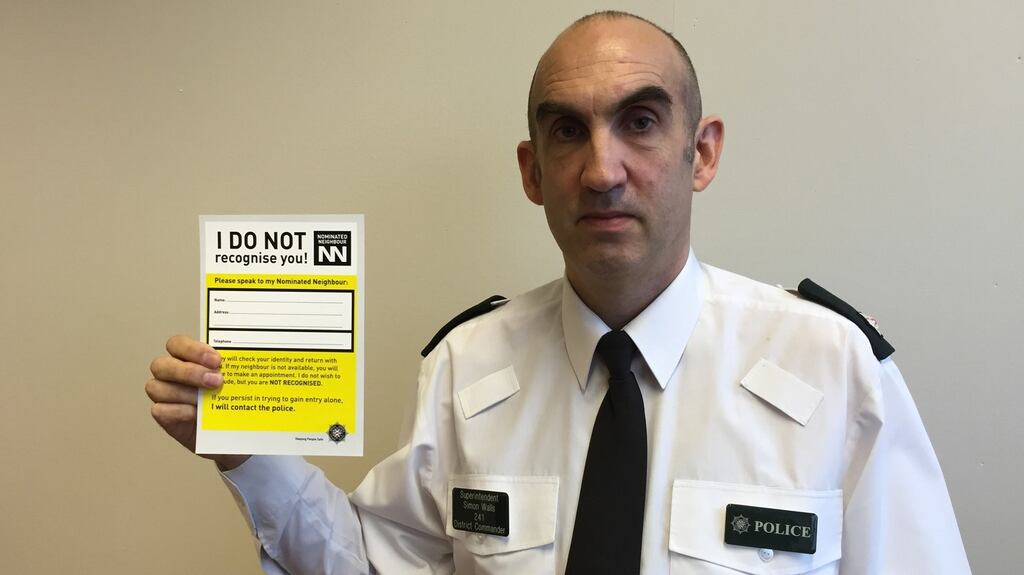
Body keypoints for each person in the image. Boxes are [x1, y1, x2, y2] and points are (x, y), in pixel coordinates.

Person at [145, 11, 972, 574]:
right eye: (568, 130)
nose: (603, 169)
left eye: (640, 121)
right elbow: (377, 565)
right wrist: (246, 448)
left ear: (704, 152)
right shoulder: (466, 366)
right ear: (533, 170)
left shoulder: (832, 367)